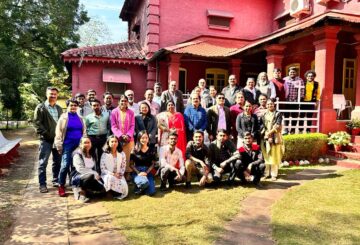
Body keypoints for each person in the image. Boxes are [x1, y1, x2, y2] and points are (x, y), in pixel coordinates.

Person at [34, 87, 63, 193]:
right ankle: (42, 184)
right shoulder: (40, 107)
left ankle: (56, 180)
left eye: (55, 94)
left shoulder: (59, 108)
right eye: (51, 94)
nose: (53, 96)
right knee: (43, 163)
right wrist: (47, 134)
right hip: (46, 140)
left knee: (57, 161)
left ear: (57, 95)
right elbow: (37, 124)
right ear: (46, 94)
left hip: (57, 140)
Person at [55, 98, 86, 197]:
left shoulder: (80, 118)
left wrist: (83, 144)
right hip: (67, 145)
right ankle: (61, 185)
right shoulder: (63, 118)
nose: (73, 107)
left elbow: (84, 132)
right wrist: (59, 146)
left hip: (78, 146)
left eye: (75, 105)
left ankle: (75, 184)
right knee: (65, 165)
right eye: (71, 105)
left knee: (76, 166)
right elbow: (58, 133)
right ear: (67, 106)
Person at [71, 137, 105, 203]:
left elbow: (95, 167)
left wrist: (96, 174)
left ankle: (88, 191)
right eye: (85, 143)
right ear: (80, 144)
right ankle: (81, 193)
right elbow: (80, 169)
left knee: (102, 190)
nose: (87, 144)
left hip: (92, 176)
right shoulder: (77, 154)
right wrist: (94, 173)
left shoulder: (92, 153)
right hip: (78, 176)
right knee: (90, 176)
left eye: (88, 142)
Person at [260, 99, 284, 181]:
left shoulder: (278, 114)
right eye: (268, 104)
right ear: (266, 105)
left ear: (274, 105)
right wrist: (265, 134)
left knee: (274, 155)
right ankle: (266, 174)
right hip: (266, 137)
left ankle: (274, 175)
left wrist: (269, 133)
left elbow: (277, 125)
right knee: (266, 155)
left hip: (275, 136)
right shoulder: (264, 114)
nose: (270, 105)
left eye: (271, 104)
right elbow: (262, 125)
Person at [110, 94, 135, 175]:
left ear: (127, 102)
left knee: (128, 157)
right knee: (118, 157)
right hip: (118, 139)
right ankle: (118, 173)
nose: (123, 102)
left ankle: (127, 174)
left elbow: (132, 125)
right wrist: (120, 135)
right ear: (118, 102)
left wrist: (128, 135)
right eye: (122, 101)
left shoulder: (131, 112)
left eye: (125, 101)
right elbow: (113, 126)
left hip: (129, 139)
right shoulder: (114, 112)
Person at [85, 99, 110, 172]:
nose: (96, 107)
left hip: (103, 138)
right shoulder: (88, 117)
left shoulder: (106, 115)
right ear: (91, 107)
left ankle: (101, 171)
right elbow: (86, 128)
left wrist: (107, 137)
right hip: (92, 138)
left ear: (100, 106)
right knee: (92, 155)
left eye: (97, 105)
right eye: (94, 105)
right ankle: (92, 171)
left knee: (102, 155)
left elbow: (109, 127)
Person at [100, 135, 128, 199]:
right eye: (112, 141)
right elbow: (103, 169)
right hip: (108, 174)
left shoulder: (122, 154)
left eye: (116, 141)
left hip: (118, 175)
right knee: (110, 178)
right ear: (108, 143)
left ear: (118, 143)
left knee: (124, 187)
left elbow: (123, 166)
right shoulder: (104, 154)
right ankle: (109, 192)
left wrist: (120, 174)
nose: (114, 143)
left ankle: (115, 192)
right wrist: (113, 174)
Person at [130, 131, 156, 196]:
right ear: (139, 139)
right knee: (144, 183)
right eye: (142, 138)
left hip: (148, 171)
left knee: (151, 192)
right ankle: (139, 185)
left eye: (146, 138)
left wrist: (146, 172)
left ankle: (141, 187)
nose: (144, 139)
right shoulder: (134, 150)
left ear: (148, 139)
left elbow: (153, 164)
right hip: (137, 172)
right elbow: (131, 164)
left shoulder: (152, 150)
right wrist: (139, 173)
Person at [284, 67, 305, 133]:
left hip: (295, 101)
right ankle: (286, 129)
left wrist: (299, 99)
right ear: (289, 72)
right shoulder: (285, 79)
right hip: (287, 101)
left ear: (296, 73)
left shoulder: (300, 80)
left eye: (294, 72)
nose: (292, 73)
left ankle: (293, 130)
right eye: (291, 72)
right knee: (286, 115)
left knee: (294, 116)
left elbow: (302, 90)